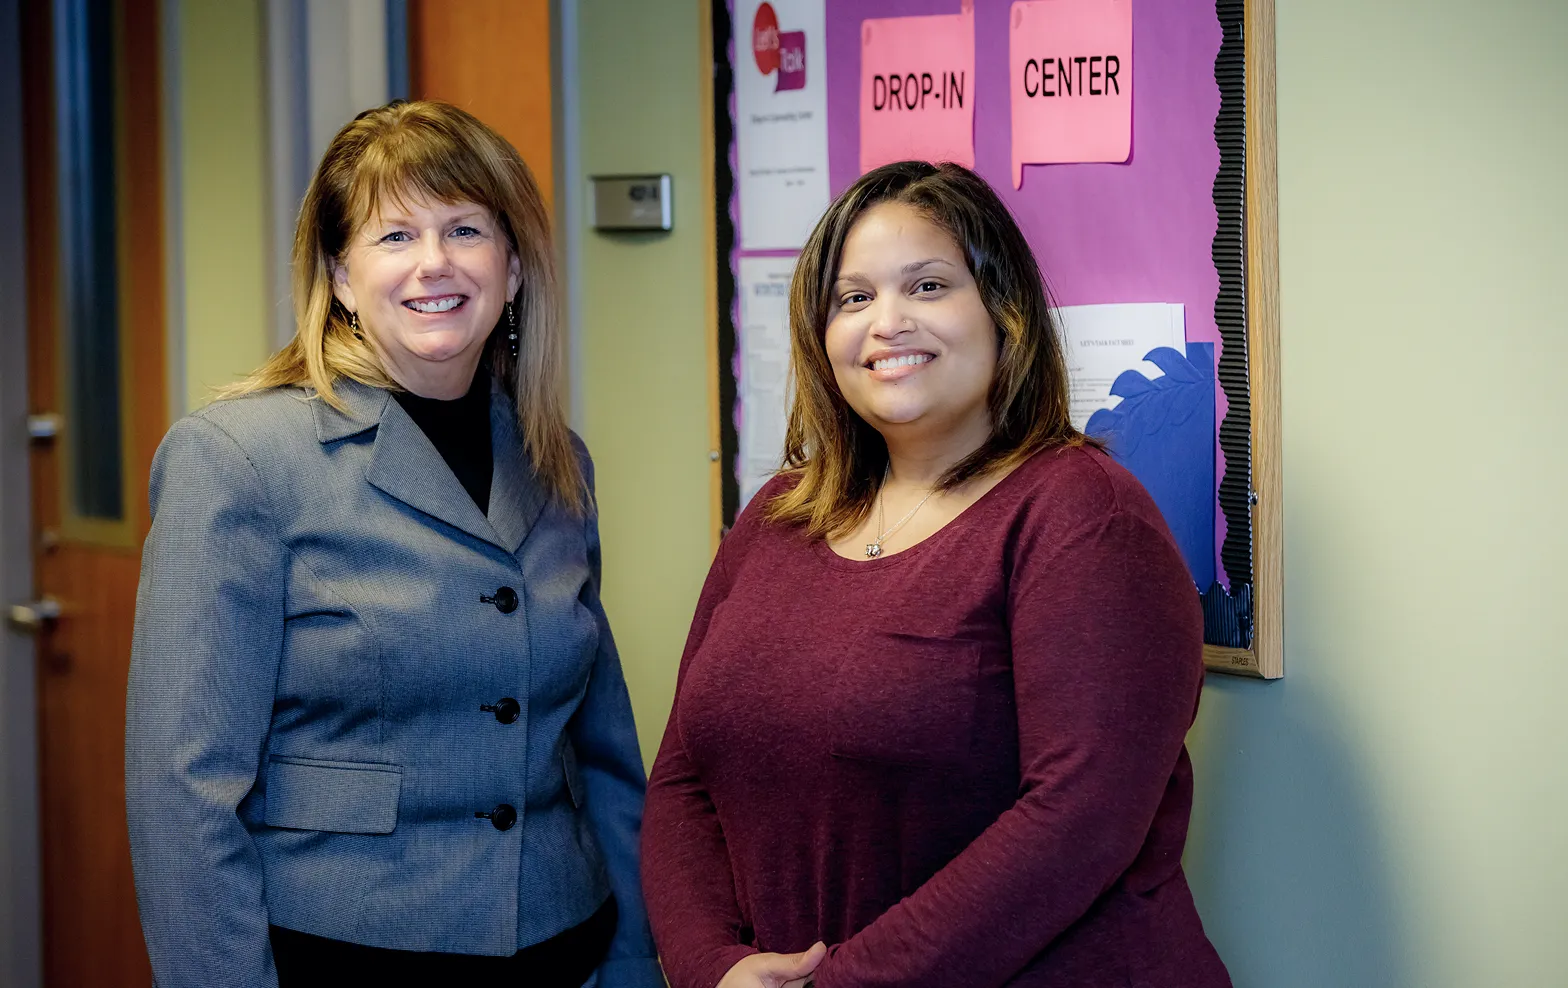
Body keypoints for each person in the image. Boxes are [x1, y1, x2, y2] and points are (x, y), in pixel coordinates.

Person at [640, 161, 1232, 988]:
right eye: (853, 298)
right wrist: (712, 968)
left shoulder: (1084, 516)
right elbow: (682, 778)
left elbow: (1080, 819)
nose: (887, 323)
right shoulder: (777, 515)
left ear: (1004, 312)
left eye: (926, 285)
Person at [126, 100, 663, 988]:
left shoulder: (556, 460)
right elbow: (180, 792)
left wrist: (636, 958)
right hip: (346, 954)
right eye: (395, 236)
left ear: (514, 265)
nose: (434, 264)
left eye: (465, 229)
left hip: (571, 945)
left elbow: (601, 750)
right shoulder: (240, 460)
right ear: (338, 275)